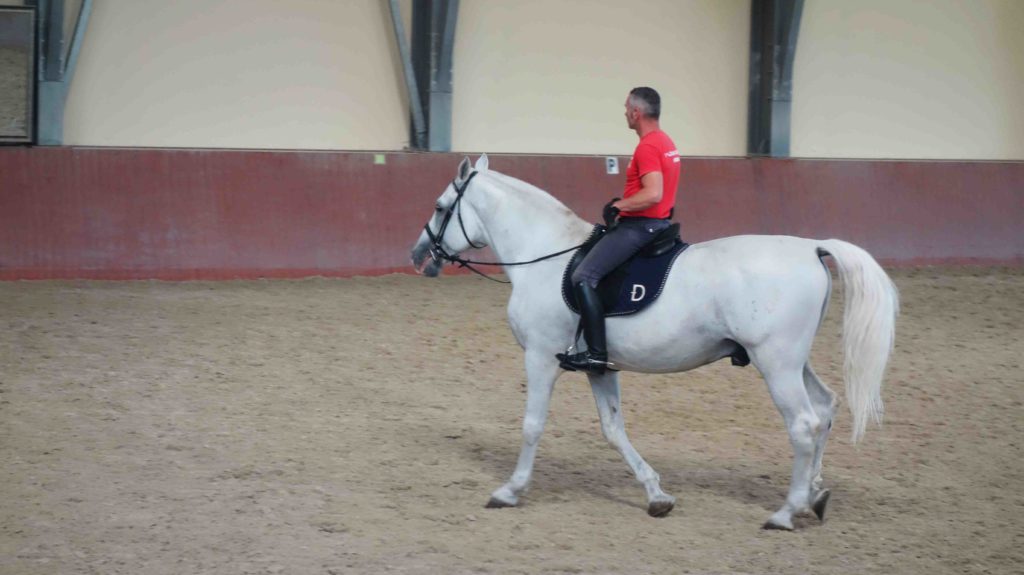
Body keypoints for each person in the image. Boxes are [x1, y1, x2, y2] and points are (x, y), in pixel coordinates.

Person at [557, 87, 681, 374]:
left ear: (637, 113)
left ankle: (596, 354)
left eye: (627, 108)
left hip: (641, 226)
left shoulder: (648, 146)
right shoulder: (666, 142)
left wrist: (618, 206)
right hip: (659, 222)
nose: (625, 112)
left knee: (583, 276)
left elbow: (653, 193)